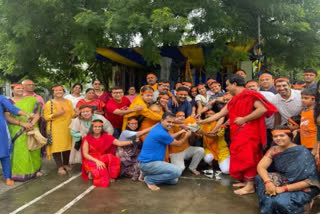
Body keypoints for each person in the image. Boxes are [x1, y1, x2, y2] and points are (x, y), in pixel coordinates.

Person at [198, 74, 277, 195]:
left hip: (250, 132)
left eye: (228, 85)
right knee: (241, 157)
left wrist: (244, 119)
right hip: (238, 133)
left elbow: (262, 109)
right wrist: (201, 121)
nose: (227, 88)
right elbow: (220, 115)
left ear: (235, 84)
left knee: (249, 157)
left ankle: (250, 186)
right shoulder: (233, 99)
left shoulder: (250, 95)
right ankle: (246, 182)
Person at [255, 126, 320, 214]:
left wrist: (283, 189)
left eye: (282, 135)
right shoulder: (273, 149)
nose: (278, 138)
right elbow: (261, 167)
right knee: (260, 178)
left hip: (304, 185)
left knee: (281, 201)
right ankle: (268, 208)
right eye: (275, 136)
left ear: (290, 137)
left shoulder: (301, 151)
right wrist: (268, 182)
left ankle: (305, 205)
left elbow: (310, 180)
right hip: (285, 179)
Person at [138, 112, 192, 191]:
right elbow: (178, 144)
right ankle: (150, 180)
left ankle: (145, 175)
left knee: (174, 180)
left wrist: (181, 131)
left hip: (148, 163)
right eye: (168, 122)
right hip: (149, 163)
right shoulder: (161, 132)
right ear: (162, 120)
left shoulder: (159, 127)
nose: (171, 124)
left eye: (173, 122)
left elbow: (169, 137)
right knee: (177, 171)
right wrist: (186, 136)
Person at [81, 119, 137, 187]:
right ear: (92, 128)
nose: (97, 128)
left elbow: (119, 143)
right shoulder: (87, 138)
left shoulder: (106, 136)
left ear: (102, 128)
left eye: (99, 127)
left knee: (114, 159)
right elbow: (85, 154)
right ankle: (91, 172)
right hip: (91, 159)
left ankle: (111, 176)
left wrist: (132, 141)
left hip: (101, 157)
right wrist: (96, 161)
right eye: (95, 126)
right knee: (101, 171)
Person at [4, 84, 42, 181]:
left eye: (21, 88)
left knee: (33, 148)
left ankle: (35, 170)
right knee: (19, 149)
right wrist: (22, 124)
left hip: (31, 127)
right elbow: (7, 117)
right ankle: (20, 172)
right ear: (12, 90)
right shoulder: (8, 102)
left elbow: (38, 113)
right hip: (16, 128)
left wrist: (32, 123)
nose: (20, 90)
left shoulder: (32, 100)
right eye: (18, 88)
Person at [44, 85, 75, 175]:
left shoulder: (69, 102)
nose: (58, 92)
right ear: (53, 92)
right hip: (54, 128)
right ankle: (59, 166)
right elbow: (46, 117)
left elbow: (72, 114)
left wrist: (79, 112)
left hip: (67, 127)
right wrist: (58, 114)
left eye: (60, 90)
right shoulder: (49, 103)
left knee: (67, 146)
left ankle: (66, 164)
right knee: (56, 147)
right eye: (56, 91)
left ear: (63, 92)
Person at [0, 94, 31, 186]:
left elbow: (12, 109)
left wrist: (27, 114)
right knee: (4, 151)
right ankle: (7, 178)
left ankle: (7, 177)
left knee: (4, 151)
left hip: (1, 128)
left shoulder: (1, 98)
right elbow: (13, 109)